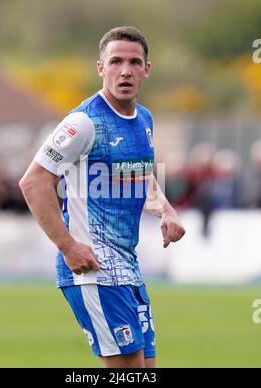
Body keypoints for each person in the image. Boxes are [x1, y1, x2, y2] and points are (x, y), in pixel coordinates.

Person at [20, 26, 185, 368]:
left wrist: (166, 211)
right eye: (116, 61)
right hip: (94, 267)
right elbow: (34, 182)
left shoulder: (144, 120)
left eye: (134, 62)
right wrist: (68, 247)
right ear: (100, 67)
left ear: (146, 70)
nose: (125, 70)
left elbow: (140, 176)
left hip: (128, 266)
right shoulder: (83, 122)